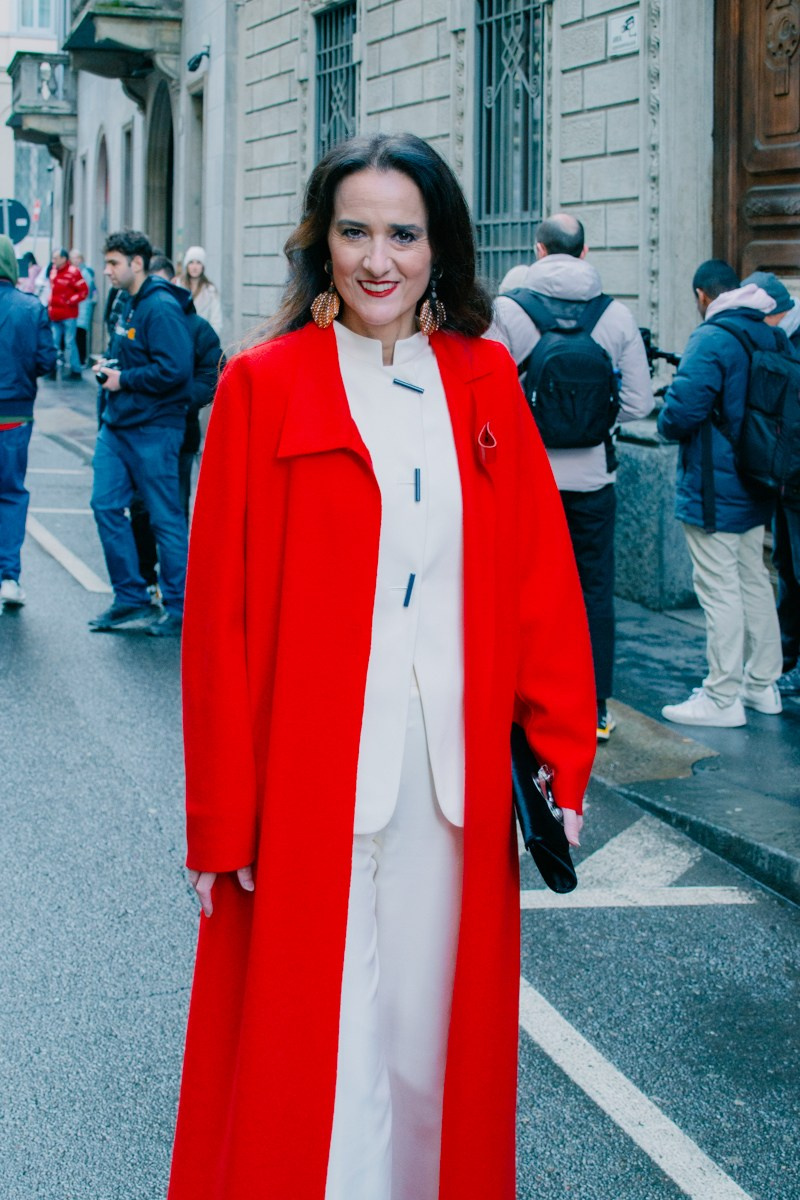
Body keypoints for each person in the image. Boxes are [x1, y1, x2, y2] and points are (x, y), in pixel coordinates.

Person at [167, 133, 596, 1200]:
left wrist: (557, 760)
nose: (377, 259)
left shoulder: (484, 374)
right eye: (352, 231)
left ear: (437, 247)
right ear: (320, 243)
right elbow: (214, 620)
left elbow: (542, 583)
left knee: (425, 1043)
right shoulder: (262, 383)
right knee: (309, 1047)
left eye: (402, 233)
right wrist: (222, 818)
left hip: (446, 783)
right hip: (304, 780)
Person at [488, 213, 652, 740]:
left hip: (524, 481)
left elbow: (487, 398)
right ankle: (597, 707)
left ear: (539, 251)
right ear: (584, 254)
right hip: (593, 481)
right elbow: (639, 403)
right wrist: (592, 423)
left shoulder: (508, 311)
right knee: (593, 590)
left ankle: (521, 698)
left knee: (519, 587)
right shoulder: (617, 316)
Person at [658, 260, 783, 726]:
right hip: (758, 480)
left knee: (719, 588)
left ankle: (722, 696)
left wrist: (670, 414)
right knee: (754, 579)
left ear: (702, 296)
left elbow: (679, 414)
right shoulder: (770, 334)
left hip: (715, 484)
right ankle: (761, 685)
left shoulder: (711, 337)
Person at [89, 230, 193, 637]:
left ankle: (179, 606)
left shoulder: (162, 307)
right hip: (117, 427)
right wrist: (109, 370)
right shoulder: (126, 302)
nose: (107, 270)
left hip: (154, 430)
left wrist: (123, 379)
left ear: (137, 263)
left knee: (165, 520)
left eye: (114, 263)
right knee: (104, 505)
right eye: (107, 262)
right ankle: (130, 596)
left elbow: (176, 371)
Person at [128, 254, 224, 589]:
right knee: (138, 508)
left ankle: (177, 588)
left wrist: (180, 401)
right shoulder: (135, 319)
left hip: (179, 433)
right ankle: (146, 576)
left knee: (173, 509)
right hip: (134, 432)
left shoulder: (197, 328)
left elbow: (212, 375)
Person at [740, 272, 800, 698]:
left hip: (794, 479)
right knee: (787, 568)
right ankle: (788, 656)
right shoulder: (778, 341)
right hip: (786, 483)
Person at [0, 235, 57, 606]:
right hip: (14, 416)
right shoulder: (30, 307)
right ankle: (8, 578)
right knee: (10, 494)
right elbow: (47, 361)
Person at [47, 247, 88, 381]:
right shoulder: (53, 271)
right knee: (54, 343)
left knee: (69, 342)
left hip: (69, 314)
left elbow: (84, 291)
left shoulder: (73, 272)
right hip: (55, 314)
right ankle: (51, 369)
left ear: (64, 259)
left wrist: (70, 301)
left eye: (56, 258)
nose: (53, 261)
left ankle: (75, 370)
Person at [178, 245, 222, 333]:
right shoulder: (178, 286)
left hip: (203, 339)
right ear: (187, 265)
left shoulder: (210, 290)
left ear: (203, 266)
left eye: (198, 262)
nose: (195, 267)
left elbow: (216, 322)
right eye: (191, 262)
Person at [69, 249, 97, 369]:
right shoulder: (77, 272)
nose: (74, 260)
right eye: (73, 258)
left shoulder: (84, 273)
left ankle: (81, 360)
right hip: (77, 308)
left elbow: (86, 291)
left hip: (82, 307)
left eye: (76, 258)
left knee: (80, 335)